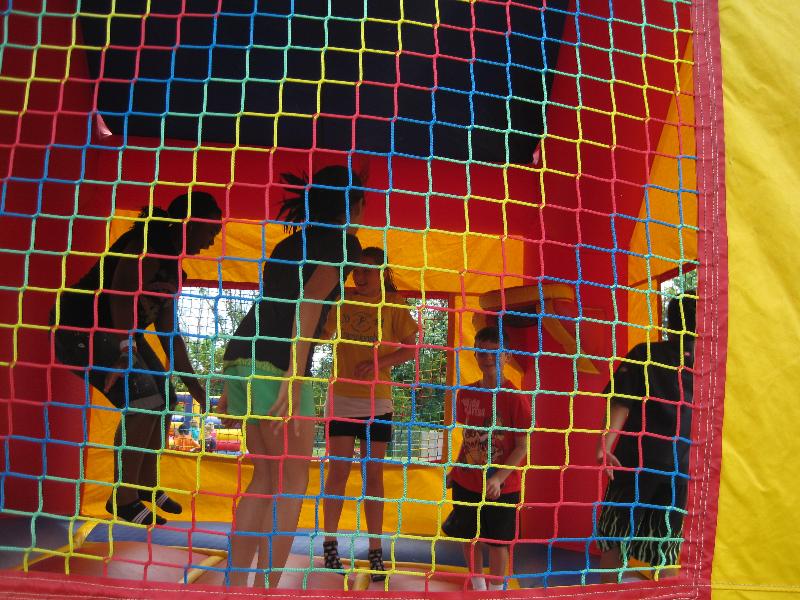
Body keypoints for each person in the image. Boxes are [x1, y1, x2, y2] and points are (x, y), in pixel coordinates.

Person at [220, 165, 365, 588]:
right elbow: (309, 300)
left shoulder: (290, 244)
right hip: (278, 363)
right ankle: (265, 589)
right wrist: (294, 375)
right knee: (292, 481)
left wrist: (232, 383)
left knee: (265, 477)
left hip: (243, 356)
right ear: (352, 206)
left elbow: (271, 305)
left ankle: (234, 587)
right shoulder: (345, 242)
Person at [50, 192, 222, 525]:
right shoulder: (145, 245)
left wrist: (195, 387)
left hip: (122, 337)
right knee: (143, 400)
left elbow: (170, 335)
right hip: (82, 330)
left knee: (166, 398)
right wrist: (125, 351)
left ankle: (145, 485)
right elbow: (120, 296)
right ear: (190, 223)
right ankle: (123, 497)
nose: (212, 241)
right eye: (211, 231)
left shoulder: (174, 272)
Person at [319, 247, 419, 580]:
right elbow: (322, 334)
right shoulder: (343, 300)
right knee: (338, 472)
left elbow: (412, 347)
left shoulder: (393, 304)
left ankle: (376, 551)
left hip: (377, 402)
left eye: (367, 271)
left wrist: (379, 363)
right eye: (356, 271)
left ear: (380, 273)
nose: (360, 276)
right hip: (342, 399)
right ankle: (330, 545)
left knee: (373, 476)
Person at [595, 293, 696, 583]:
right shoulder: (707, 366)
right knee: (665, 549)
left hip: (637, 464)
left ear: (669, 324)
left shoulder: (646, 353)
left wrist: (604, 443)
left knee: (615, 539)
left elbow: (621, 403)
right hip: (678, 469)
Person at [442, 326, 532, 591]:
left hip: (502, 486)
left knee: (497, 541)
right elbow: (470, 438)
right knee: (469, 536)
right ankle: (478, 585)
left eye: (495, 352)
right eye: (481, 352)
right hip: (467, 480)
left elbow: (522, 447)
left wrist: (499, 478)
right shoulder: (466, 394)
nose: (488, 358)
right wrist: (456, 469)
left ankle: (495, 590)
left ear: (506, 356)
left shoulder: (515, 398)